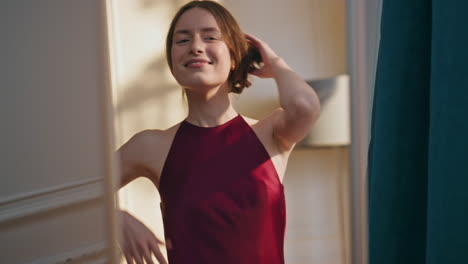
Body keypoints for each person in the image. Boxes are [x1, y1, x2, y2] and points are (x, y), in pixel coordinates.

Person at [117, 1, 320, 263]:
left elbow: (305, 106)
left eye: (210, 37)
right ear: (172, 61)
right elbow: (83, 189)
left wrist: (276, 64)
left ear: (235, 56)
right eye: (182, 40)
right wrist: (115, 218)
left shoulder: (270, 134)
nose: (195, 47)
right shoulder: (151, 146)